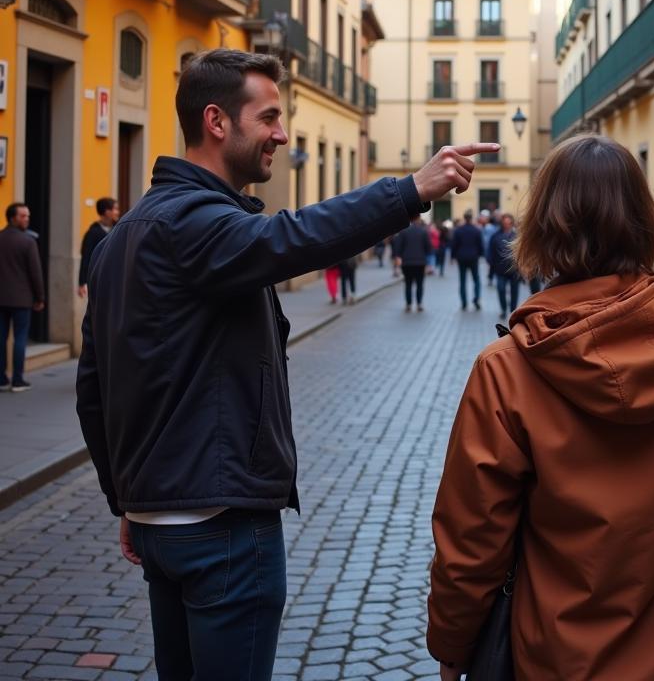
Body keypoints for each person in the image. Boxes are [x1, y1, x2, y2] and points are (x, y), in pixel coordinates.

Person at [75, 48, 498, 681]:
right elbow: (293, 238)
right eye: (268, 117)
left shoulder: (126, 234)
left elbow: (93, 389)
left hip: (162, 521)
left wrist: (128, 502)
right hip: (221, 526)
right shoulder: (196, 224)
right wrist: (411, 191)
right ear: (217, 122)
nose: (282, 133)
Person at [427, 134, 654, 681]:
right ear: (644, 223)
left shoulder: (504, 370)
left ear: (542, 226)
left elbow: (471, 542)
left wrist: (454, 645)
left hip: (568, 658)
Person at [0, 203, 45, 394]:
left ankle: (1, 379)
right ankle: (17, 380)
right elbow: (35, 273)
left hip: (1, 298)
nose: (27, 219)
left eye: (27, 216)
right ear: (12, 218)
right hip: (21, 299)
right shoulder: (28, 242)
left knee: (1, 339)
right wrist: (40, 296)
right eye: (23, 216)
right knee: (20, 339)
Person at [77, 197, 120, 299]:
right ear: (106, 212)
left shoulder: (119, 229)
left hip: (117, 279)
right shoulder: (92, 233)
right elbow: (86, 257)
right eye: (115, 209)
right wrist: (82, 282)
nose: (118, 212)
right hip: (100, 280)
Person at [392, 215, 433, 312]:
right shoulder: (423, 231)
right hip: (420, 262)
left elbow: (397, 247)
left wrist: (398, 257)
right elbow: (429, 248)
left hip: (407, 262)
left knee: (408, 284)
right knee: (419, 284)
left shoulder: (403, 231)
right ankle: (419, 304)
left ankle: (408, 304)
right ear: (418, 219)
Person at [487, 213, 521, 319]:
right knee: (501, 289)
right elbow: (490, 251)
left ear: (511, 223)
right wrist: (492, 264)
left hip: (514, 269)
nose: (507, 225)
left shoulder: (517, 236)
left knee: (514, 291)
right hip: (500, 269)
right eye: (505, 223)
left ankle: (513, 309)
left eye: (509, 223)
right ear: (502, 223)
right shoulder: (495, 236)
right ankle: (503, 309)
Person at [449, 209, 484, 311]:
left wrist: (452, 257)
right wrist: (481, 255)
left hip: (462, 257)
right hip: (473, 257)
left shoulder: (458, 230)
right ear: (471, 218)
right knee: (476, 280)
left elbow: (454, 245)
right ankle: (476, 298)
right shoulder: (476, 230)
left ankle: (464, 302)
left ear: (464, 218)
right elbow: (480, 245)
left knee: (462, 281)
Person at [481, 210, 500, 287]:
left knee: (491, 265)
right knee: (492, 265)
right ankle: (491, 278)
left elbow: (486, 240)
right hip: (492, 249)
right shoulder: (492, 228)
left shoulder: (489, 228)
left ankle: (491, 278)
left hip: (490, 249)